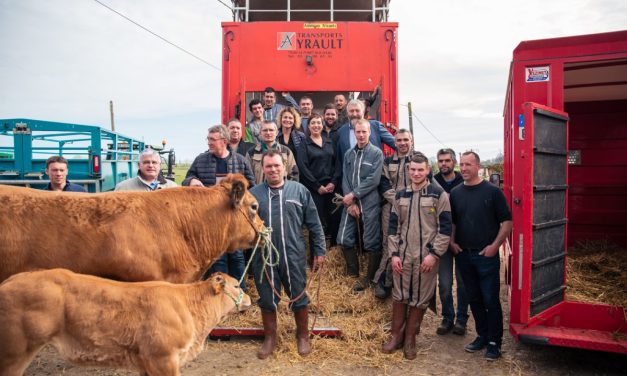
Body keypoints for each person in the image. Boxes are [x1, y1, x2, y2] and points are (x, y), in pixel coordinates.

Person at [250, 150, 326, 359]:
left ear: (284, 167)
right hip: (264, 255)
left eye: (277, 166)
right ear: (263, 169)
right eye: (269, 166)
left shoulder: (299, 191)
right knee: (267, 297)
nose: (273, 170)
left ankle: (302, 336)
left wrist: (319, 250)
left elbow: (314, 224)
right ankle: (270, 338)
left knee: (299, 294)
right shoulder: (254, 194)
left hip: (293, 253)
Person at [383, 154, 451, 359]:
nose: (416, 173)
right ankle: (396, 336)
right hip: (403, 254)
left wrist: (434, 254)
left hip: (425, 256)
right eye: (412, 169)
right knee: (400, 294)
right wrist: (393, 254)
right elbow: (393, 227)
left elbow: (445, 228)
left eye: (420, 170)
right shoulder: (401, 195)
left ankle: (411, 338)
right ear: (408, 170)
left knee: (420, 296)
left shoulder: (438, 194)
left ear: (428, 170)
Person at [450, 151, 512, 361]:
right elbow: (453, 222)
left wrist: (495, 246)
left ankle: (495, 342)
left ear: (478, 166)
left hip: (486, 256)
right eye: (462, 165)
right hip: (464, 256)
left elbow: (507, 223)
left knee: (490, 300)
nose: (464, 168)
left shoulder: (493, 192)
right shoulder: (456, 193)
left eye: (468, 164)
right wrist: (452, 242)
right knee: (474, 298)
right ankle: (482, 336)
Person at [183, 125, 255, 289]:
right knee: (217, 257)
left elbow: (251, 184)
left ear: (224, 141)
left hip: (234, 219)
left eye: (212, 140)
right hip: (211, 219)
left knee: (236, 255)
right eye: (208, 139)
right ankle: (223, 295)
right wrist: (191, 181)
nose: (209, 143)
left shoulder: (240, 161)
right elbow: (187, 179)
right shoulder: (201, 160)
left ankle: (240, 291)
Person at [372, 129, 421, 299]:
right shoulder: (387, 161)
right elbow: (383, 184)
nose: (402, 143)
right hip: (391, 207)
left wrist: (410, 201)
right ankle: (381, 282)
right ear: (395, 142)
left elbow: (423, 180)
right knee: (388, 244)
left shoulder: (418, 159)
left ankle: (404, 285)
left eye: (405, 140)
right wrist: (399, 201)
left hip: (415, 207)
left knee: (409, 244)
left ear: (411, 141)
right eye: (399, 140)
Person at [337, 119, 383, 292]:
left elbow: (374, 180)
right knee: (343, 237)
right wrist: (350, 201)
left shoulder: (376, 153)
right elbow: (346, 178)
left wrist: (354, 195)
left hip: (369, 203)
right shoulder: (349, 154)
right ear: (354, 133)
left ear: (369, 133)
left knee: (371, 241)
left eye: (364, 132)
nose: (361, 135)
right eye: (358, 132)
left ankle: (369, 278)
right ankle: (353, 273)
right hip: (351, 203)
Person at [432, 148, 468, 335]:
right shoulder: (433, 182)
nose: (444, 164)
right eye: (441, 161)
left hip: (462, 241)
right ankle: (447, 317)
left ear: (454, 162)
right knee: (445, 284)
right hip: (441, 240)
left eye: (447, 160)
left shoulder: (464, 181)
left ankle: (462, 319)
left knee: (463, 283)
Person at [296, 113, 338, 259]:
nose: (316, 126)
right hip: (315, 190)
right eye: (313, 123)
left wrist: (333, 182)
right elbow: (303, 168)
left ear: (323, 125)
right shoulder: (304, 144)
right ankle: (315, 257)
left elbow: (337, 163)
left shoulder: (330, 142)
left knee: (334, 221)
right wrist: (317, 186)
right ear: (309, 126)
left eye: (319, 123)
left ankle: (333, 255)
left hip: (332, 188)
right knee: (316, 223)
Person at [335, 99, 396, 169]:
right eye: (351, 111)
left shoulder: (376, 126)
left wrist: (392, 166)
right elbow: (339, 160)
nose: (354, 114)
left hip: (375, 176)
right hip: (351, 177)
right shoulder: (341, 131)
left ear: (363, 112)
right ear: (347, 113)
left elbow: (396, 144)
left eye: (357, 111)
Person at [246, 120, 299, 185]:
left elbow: (294, 174)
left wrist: (288, 191)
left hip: (282, 193)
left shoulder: (286, 151)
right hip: (257, 193)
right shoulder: (252, 153)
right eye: (265, 130)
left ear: (277, 132)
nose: (268, 133)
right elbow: (247, 175)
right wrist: (254, 191)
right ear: (260, 133)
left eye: (271, 130)